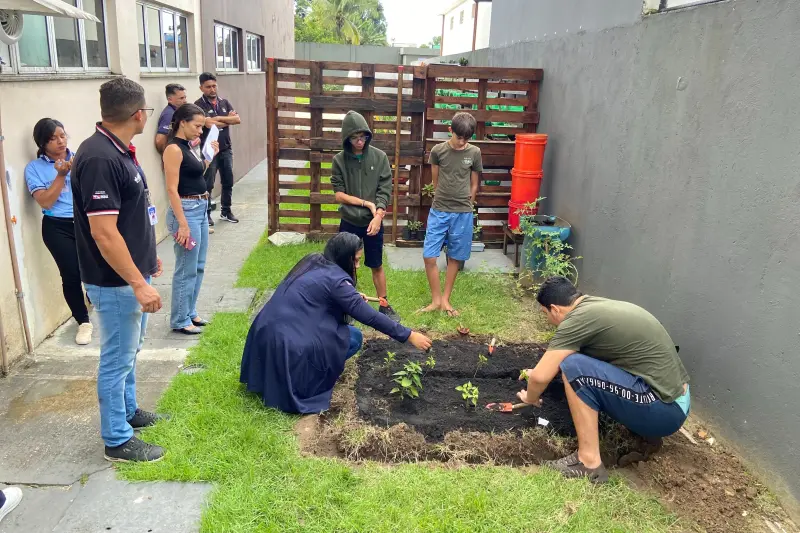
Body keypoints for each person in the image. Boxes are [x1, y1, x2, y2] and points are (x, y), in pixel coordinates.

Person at [72, 77, 169, 463]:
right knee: (116, 358)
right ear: (138, 113)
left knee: (129, 352)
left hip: (131, 275)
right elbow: (103, 232)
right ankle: (116, 439)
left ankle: (128, 412)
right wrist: (137, 282)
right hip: (114, 283)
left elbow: (129, 216)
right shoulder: (100, 158)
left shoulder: (117, 150)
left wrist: (146, 261)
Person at [517, 276, 691, 483]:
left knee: (574, 367)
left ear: (554, 309)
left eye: (545, 314)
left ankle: (588, 461)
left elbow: (539, 377)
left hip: (663, 412)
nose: (548, 320)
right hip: (677, 400)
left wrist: (530, 396)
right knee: (577, 364)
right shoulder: (596, 307)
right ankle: (643, 436)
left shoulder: (576, 320)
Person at [240, 233, 432, 414]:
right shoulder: (338, 283)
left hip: (265, 333)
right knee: (353, 337)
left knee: (337, 332)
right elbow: (371, 317)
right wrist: (409, 335)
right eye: (355, 260)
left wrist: (350, 296)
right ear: (343, 256)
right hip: (290, 346)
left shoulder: (313, 261)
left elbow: (318, 294)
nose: (357, 266)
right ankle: (311, 376)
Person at [24, 118, 92, 345]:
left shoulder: (81, 158)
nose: (60, 141)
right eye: (52, 138)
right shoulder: (34, 168)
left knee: (94, 266)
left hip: (85, 223)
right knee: (71, 273)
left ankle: (96, 297)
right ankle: (83, 322)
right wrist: (61, 176)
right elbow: (45, 202)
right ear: (43, 143)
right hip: (57, 227)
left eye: (62, 135)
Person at [330, 110, 399, 321]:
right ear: (346, 138)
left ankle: (384, 306)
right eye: (354, 137)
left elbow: (385, 189)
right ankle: (345, 306)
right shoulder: (339, 160)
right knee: (346, 266)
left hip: (373, 222)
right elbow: (339, 194)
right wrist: (364, 203)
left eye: (363, 137)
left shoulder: (380, 158)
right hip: (349, 220)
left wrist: (378, 216)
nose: (360, 141)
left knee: (376, 264)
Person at [163, 103, 219, 335]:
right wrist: (182, 224)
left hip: (200, 207)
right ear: (182, 122)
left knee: (198, 266)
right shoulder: (173, 149)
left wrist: (209, 156)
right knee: (186, 268)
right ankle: (179, 319)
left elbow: (195, 173)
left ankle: (190, 312)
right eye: (197, 126)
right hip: (186, 211)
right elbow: (171, 189)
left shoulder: (187, 147)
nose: (200, 131)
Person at [420, 112, 483, 317]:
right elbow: (435, 181)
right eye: (459, 137)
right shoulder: (438, 151)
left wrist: (469, 203)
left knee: (455, 257)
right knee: (429, 255)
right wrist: (441, 198)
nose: (462, 142)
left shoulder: (474, 153)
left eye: (466, 138)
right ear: (450, 130)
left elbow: (474, 184)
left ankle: (445, 300)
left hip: (462, 213)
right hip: (439, 210)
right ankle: (435, 300)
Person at [195, 72, 241, 225]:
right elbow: (207, 124)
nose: (212, 89)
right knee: (208, 183)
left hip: (226, 149)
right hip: (209, 151)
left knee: (228, 181)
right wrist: (227, 120)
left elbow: (237, 119)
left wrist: (218, 119)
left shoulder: (224, 102)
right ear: (201, 88)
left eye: (214, 86)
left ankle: (226, 211)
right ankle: (206, 214)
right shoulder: (198, 106)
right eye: (208, 87)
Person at [154, 83, 187, 154]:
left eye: (185, 97)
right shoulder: (169, 115)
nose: (185, 101)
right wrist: (169, 155)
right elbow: (159, 141)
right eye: (181, 98)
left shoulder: (178, 112)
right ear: (170, 99)